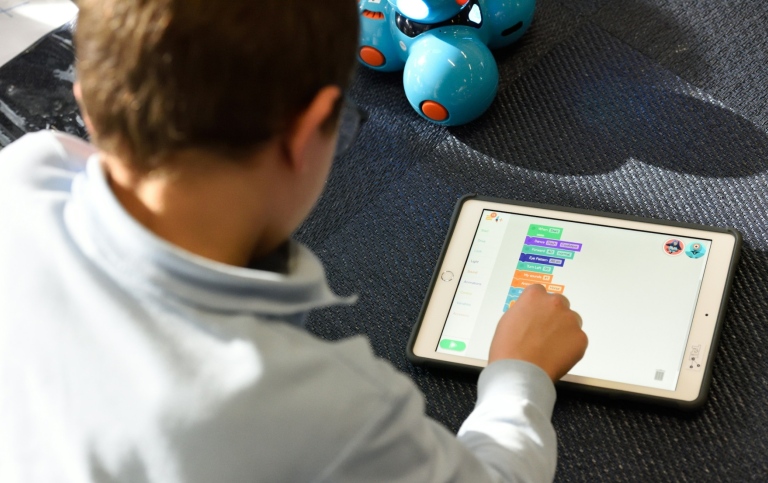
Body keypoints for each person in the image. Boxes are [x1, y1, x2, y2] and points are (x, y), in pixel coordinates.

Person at [0, 0, 587, 481]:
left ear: (85, 106)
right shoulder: (330, 407)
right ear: (308, 134)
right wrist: (519, 373)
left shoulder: (25, 173)